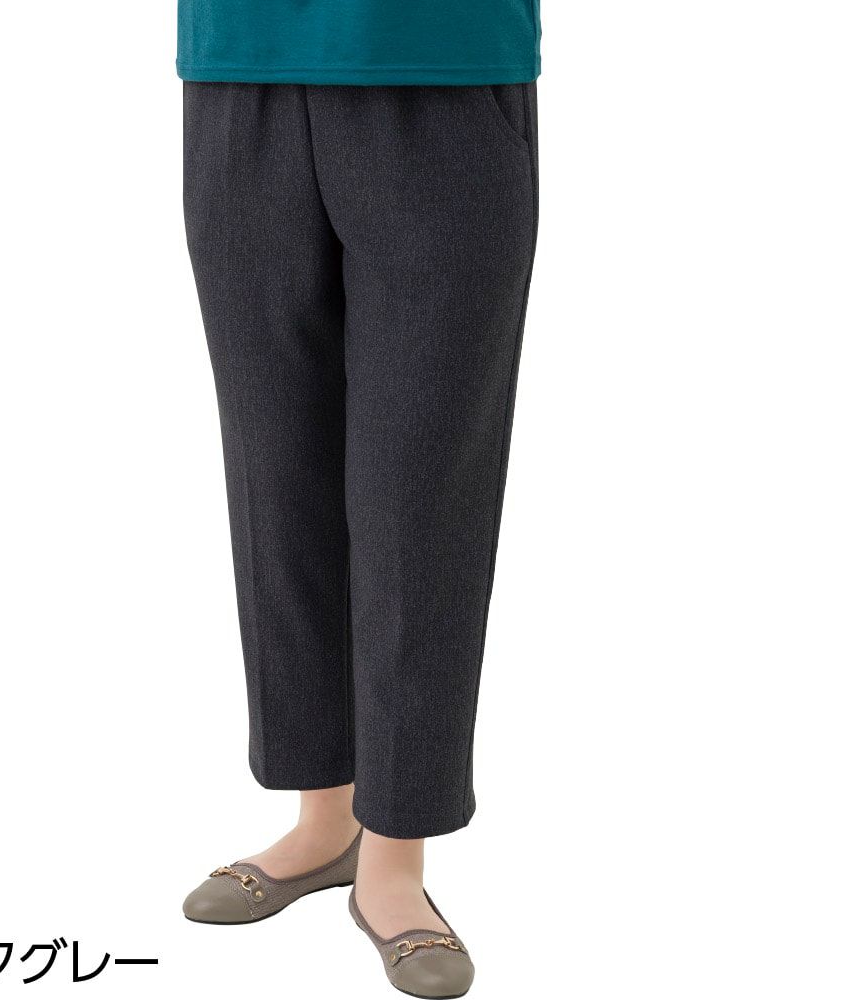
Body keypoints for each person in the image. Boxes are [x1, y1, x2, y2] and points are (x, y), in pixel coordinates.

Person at [178, 3, 541, 996]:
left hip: (439, 69)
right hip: (238, 67)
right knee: (273, 472)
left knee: (420, 492)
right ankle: (323, 820)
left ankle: (394, 859)